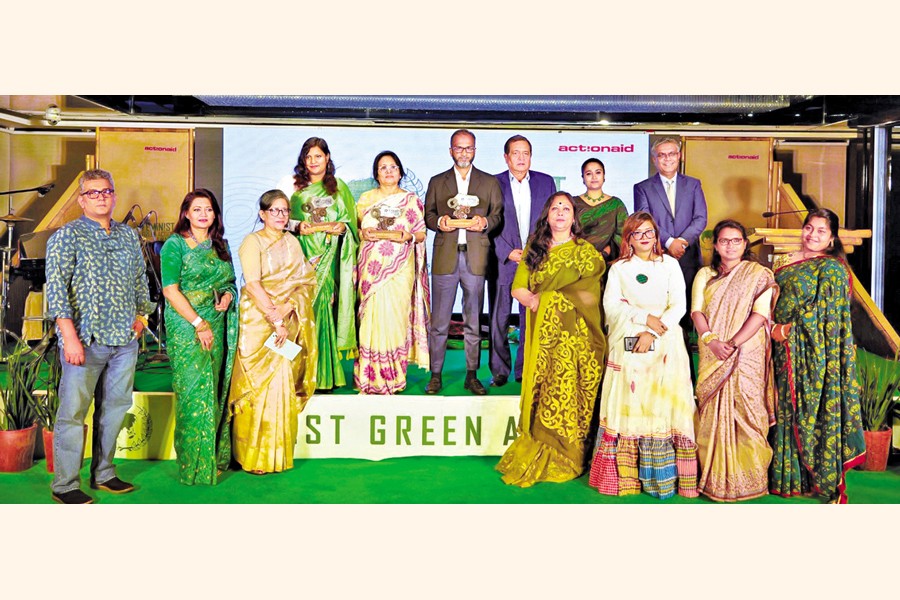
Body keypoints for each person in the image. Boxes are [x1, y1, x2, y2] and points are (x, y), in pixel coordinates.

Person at [45, 168, 154, 504]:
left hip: (124, 340)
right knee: (73, 412)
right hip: (84, 340)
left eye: (106, 191)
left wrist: (141, 317)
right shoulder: (67, 236)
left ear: (114, 195)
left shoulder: (127, 236)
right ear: (81, 199)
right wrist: (69, 337)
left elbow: (140, 279)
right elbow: (57, 290)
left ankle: (104, 473)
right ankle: (65, 484)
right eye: (93, 192)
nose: (101, 197)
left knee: (115, 408)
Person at [496, 192, 606, 487]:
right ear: (547, 215)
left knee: (566, 388)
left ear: (573, 217)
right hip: (542, 334)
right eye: (555, 207)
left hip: (575, 337)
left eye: (566, 208)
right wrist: (535, 300)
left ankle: (567, 454)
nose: (560, 212)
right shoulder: (535, 247)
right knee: (543, 387)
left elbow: (589, 294)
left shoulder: (586, 252)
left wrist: (549, 298)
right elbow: (518, 288)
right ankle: (541, 445)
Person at [588, 211, 698, 499]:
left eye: (649, 232)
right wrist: (644, 318)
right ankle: (627, 479)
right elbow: (612, 307)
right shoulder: (619, 269)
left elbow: (678, 306)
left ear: (656, 235)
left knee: (662, 403)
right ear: (629, 239)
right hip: (629, 341)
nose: (645, 238)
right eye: (638, 233)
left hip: (665, 342)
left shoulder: (670, 265)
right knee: (630, 400)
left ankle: (661, 480)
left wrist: (654, 330)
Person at [769, 208, 866, 503]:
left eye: (821, 231)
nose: (812, 235)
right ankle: (789, 479)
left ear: (832, 237)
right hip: (782, 352)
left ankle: (821, 479)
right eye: (808, 228)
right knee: (785, 410)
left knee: (813, 410)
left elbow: (827, 317)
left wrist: (785, 331)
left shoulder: (832, 269)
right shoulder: (785, 262)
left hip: (814, 354)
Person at [229, 190, 317, 474]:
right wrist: (274, 317)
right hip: (259, 321)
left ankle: (276, 453)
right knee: (257, 387)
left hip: (286, 317)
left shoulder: (292, 242)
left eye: (285, 211)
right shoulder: (251, 242)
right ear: (262, 214)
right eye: (275, 211)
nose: (281, 216)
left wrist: (289, 307)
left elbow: (306, 282)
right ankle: (252, 456)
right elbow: (253, 285)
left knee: (282, 383)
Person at [690, 220, 778, 502]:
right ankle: (714, 477)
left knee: (748, 410)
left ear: (744, 244)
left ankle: (749, 477)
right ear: (715, 245)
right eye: (724, 240)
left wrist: (733, 343)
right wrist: (711, 341)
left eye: (736, 240)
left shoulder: (759, 274)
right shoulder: (705, 274)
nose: (730, 245)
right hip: (713, 350)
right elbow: (696, 312)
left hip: (747, 352)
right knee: (713, 412)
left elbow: (760, 314)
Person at [160, 189, 239, 485]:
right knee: (194, 391)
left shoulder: (220, 245)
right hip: (187, 324)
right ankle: (193, 464)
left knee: (215, 387)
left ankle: (214, 457)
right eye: (197, 209)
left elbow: (230, 281)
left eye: (208, 209)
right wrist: (198, 323)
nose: (203, 214)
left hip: (216, 322)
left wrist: (229, 296)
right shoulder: (175, 245)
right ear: (187, 214)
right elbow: (170, 290)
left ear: (215, 215)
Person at [424, 129, 503, 395]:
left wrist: (485, 222)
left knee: (473, 320)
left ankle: (472, 374)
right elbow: (429, 216)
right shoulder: (437, 181)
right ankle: (435, 375)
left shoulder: (489, 182)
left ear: (475, 151)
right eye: (459, 148)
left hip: (476, 257)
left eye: (468, 148)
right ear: (450, 151)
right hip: (446, 256)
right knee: (439, 322)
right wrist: (439, 222)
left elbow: (497, 216)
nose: (464, 153)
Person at [354, 151, 430, 394]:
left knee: (395, 319)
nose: (388, 171)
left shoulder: (410, 200)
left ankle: (394, 376)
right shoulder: (366, 199)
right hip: (372, 269)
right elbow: (359, 231)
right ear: (376, 173)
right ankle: (369, 378)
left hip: (399, 270)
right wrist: (364, 234)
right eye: (383, 167)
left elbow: (421, 233)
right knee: (371, 319)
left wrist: (408, 236)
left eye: (393, 167)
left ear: (400, 172)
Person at [290, 137, 358, 391]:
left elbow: (352, 225)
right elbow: (285, 225)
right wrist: (299, 226)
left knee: (323, 309)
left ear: (327, 158)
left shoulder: (339, 189)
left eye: (318, 156)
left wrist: (343, 227)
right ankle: (304, 372)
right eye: (308, 157)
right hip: (305, 261)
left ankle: (323, 375)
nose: (313, 161)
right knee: (304, 314)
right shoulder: (297, 194)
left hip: (330, 261)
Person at [489, 134, 557, 387]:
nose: (521, 158)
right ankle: (499, 370)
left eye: (525, 153)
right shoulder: (492, 183)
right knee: (499, 316)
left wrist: (534, 250)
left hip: (535, 259)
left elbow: (552, 221)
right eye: (515, 153)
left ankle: (525, 368)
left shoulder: (546, 182)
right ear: (506, 157)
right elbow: (488, 224)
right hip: (502, 259)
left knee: (530, 315)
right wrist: (507, 251)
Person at [633, 138, 707, 324]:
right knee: (659, 307)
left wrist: (681, 242)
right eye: (661, 155)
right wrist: (668, 242)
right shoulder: (642, 188)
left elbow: (701, 218)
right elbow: (644, 220)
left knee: (686, 309)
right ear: (654, 160)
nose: (667, 158)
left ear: (679, 156)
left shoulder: (693, 185)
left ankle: (685, 351)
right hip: (657, 255)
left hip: (687, 255)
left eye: (671, 153)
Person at [573, 158, 627, 262]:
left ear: (604, 176)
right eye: (588, 173)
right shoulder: (573, 203)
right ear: (583, 178)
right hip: (577, 260)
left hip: (608, 261)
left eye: (598, 172)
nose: (594, 177)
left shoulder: (616, 204)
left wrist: (604, 253)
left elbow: (623, 234)